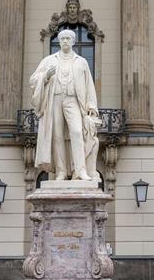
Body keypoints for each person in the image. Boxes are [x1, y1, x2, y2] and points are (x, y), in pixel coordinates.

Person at [29, 29, 101, 182]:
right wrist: (46, 76)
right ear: (59, 41)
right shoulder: (49, 60)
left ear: (73, 42)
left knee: (76, 132)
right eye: (62, 39)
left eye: (68, 38)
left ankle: (80, 171)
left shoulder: (81, 62)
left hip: (73, 100)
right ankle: (61, 172)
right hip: (55, 99)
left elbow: (89, 86)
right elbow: (33, 80)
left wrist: (92, 108)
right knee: (57, 135)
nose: (65, 41)